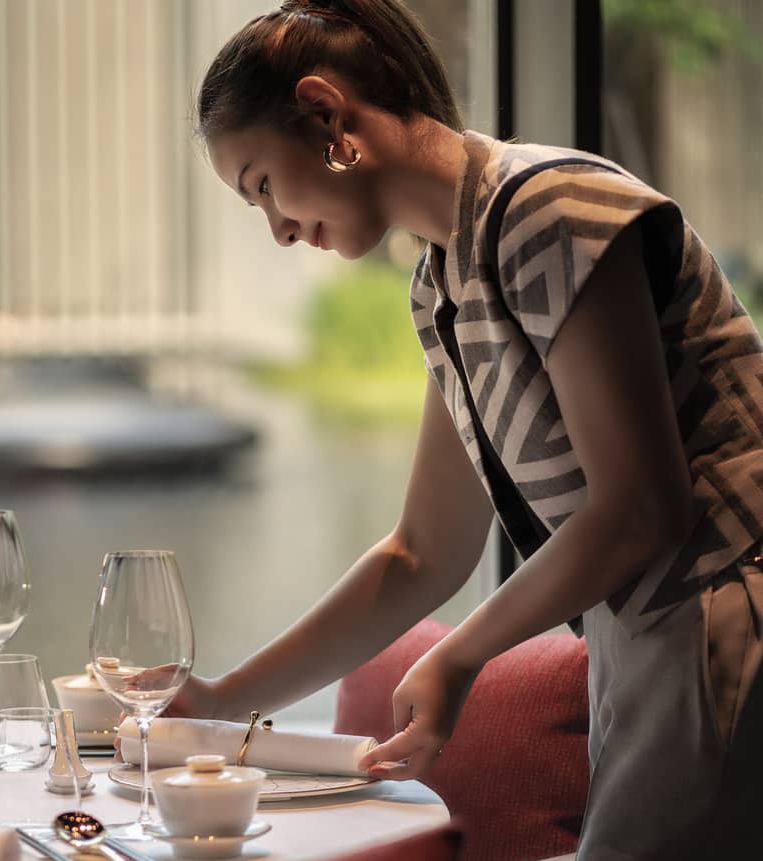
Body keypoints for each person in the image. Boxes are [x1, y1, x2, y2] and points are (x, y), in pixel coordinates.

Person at [165, 1, 763, 857]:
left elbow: (642, 507)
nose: (281, 229)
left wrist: (459, 657)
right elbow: (422, 552)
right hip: (651, 637)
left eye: (263, 183)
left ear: (329, 115)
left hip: (726, 612)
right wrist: (222, 698)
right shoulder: (445, 280)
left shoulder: (548, 208)